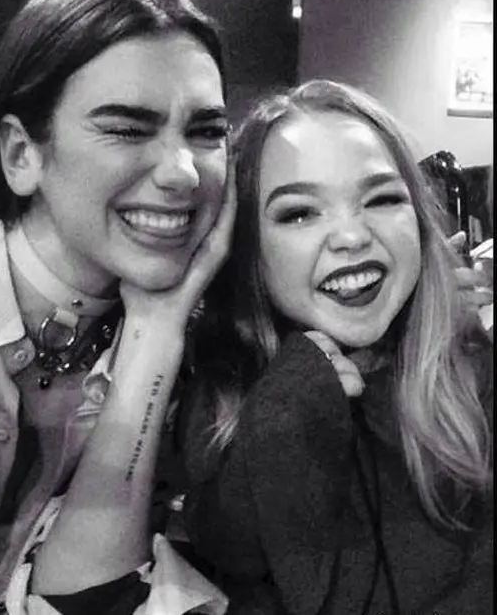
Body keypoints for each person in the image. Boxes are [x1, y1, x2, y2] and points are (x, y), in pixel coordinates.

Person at [0, 0, 233, 614]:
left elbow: (81, 601)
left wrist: (156, 330)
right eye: (127, 128)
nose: (184, 173)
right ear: (22, 155)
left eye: (207, 132)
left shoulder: (184, 351)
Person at [180, 80, 493, 614]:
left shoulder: (472, 371)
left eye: (383, 199)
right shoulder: (224, 392)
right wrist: (290, 407)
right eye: (299, 213)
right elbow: (234, 550)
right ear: (249, 251)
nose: (351, 236)